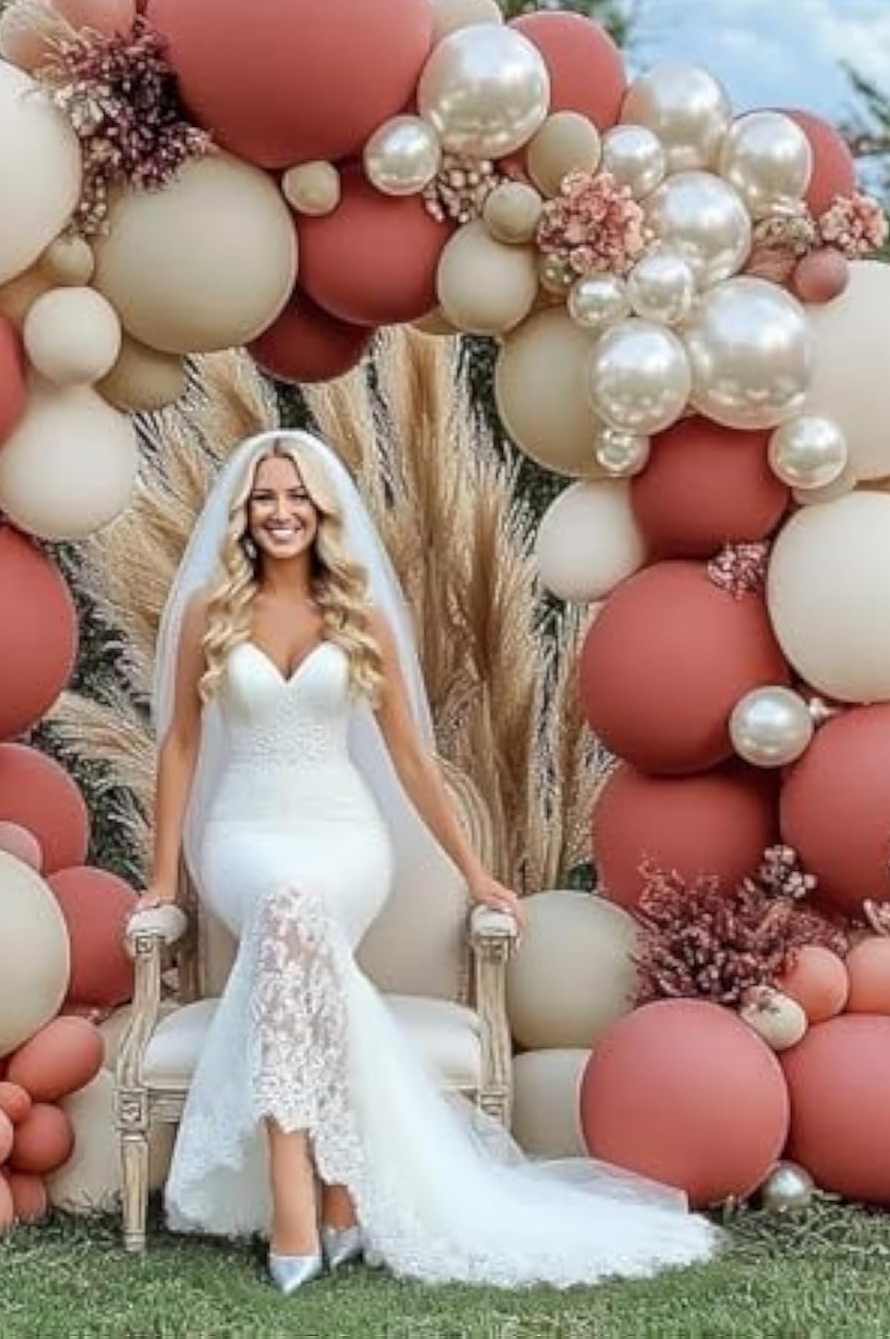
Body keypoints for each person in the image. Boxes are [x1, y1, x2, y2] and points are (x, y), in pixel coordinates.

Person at [134, 428, 721, 1291]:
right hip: (245, 836)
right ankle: (316, 1198)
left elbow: (411, 758)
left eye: (298, 498)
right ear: (244, 514)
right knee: (286, 910)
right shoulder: (208, 613)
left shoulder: (358, 611)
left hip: (344, 834)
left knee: (302, 917)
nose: (282, 512)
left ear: (324, 512)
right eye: (265, 498)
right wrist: (161, 876)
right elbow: (181, 746)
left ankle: (320, 1203)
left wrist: (476, 872)